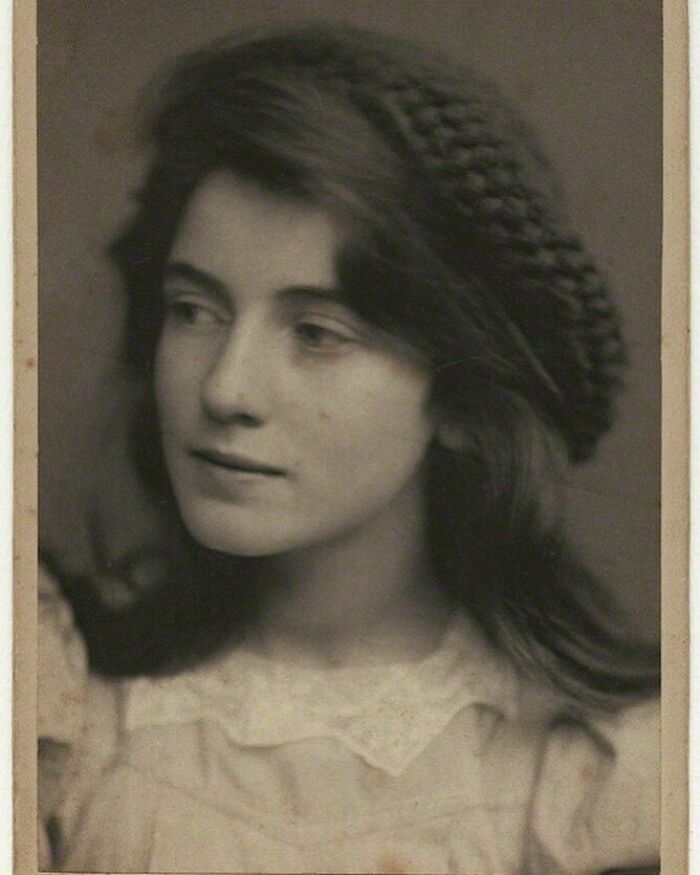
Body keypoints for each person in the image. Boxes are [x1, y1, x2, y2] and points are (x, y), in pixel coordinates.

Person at [38, 23, 660, 874]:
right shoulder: (66, 719)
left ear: (460, 395)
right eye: (194, 309)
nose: (225, 388)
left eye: (318, 333)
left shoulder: (594, 779)